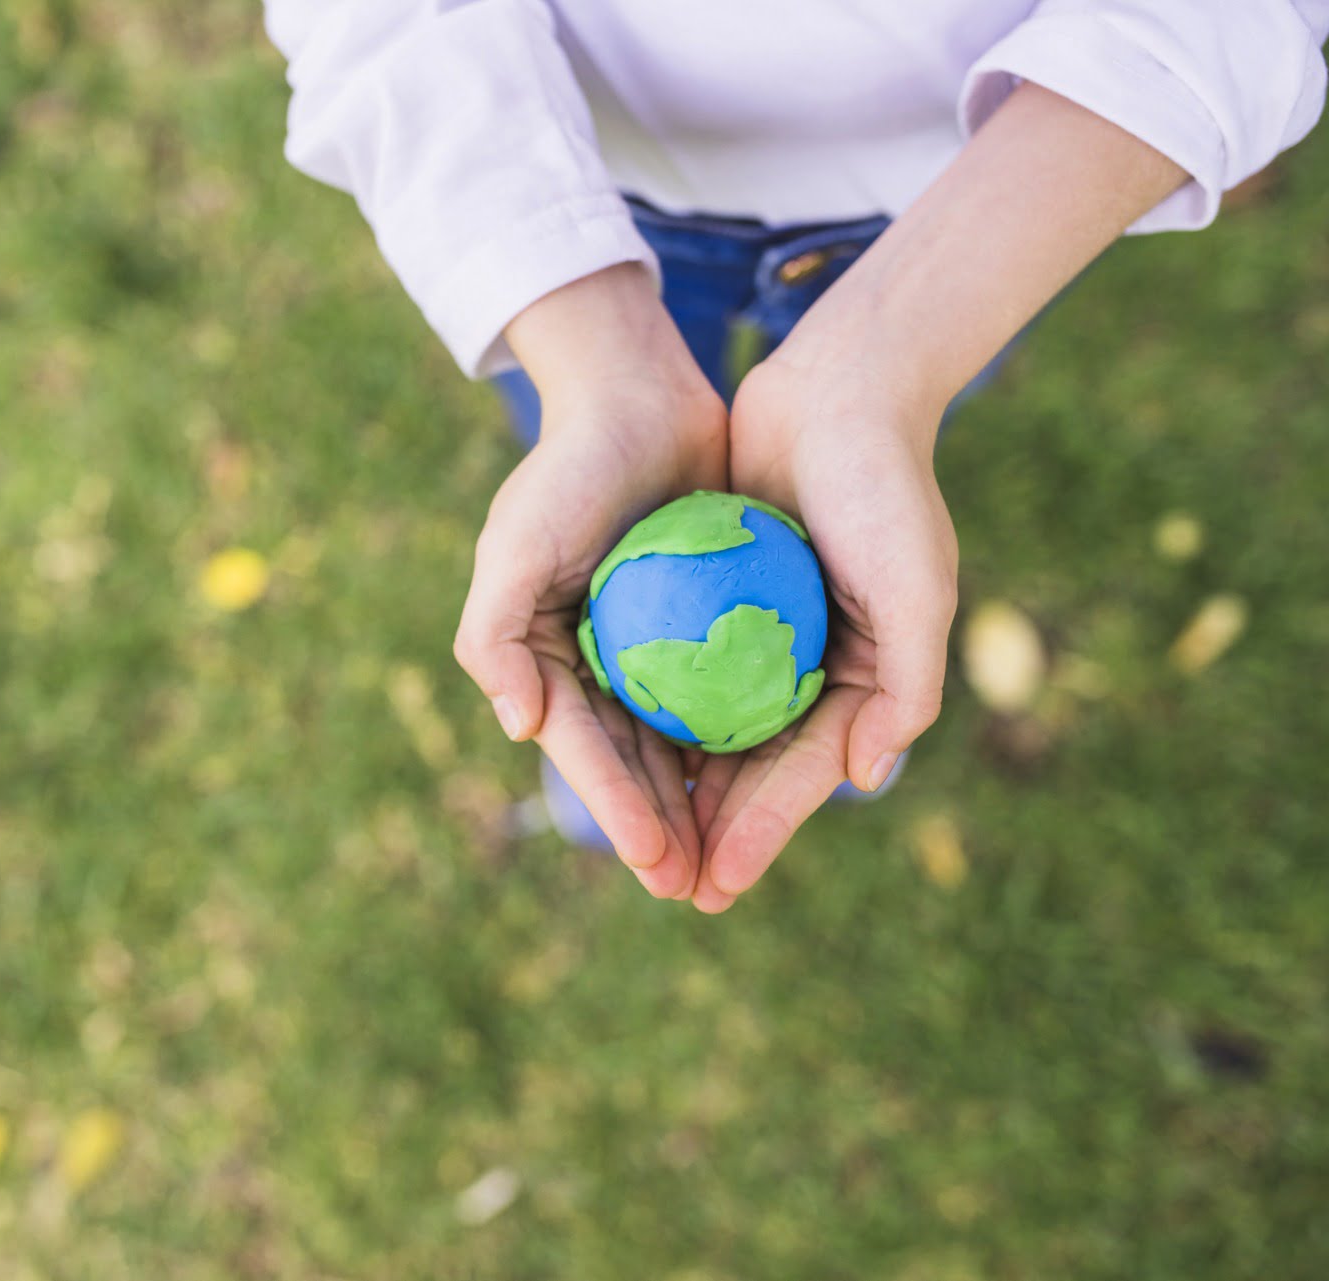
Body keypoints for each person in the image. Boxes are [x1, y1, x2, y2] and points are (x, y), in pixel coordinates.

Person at [263, 2, 1329, 912]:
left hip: (981, 199)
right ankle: (641, 698)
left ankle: (860, 608)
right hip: (564, 168)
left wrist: (893, 363)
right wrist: (589, 358)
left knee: (877, 454)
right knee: (584, 451)